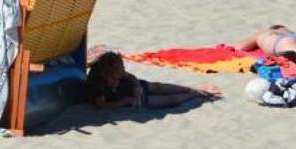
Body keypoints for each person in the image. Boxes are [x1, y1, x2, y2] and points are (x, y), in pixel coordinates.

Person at [85, 50, 218, 110]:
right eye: (116, 76)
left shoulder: (114, 68)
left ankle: (192, 90)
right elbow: (102, 106)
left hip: (134, 90)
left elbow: (131, 77)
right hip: (130, 98)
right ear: (107, 74)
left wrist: (136, 86)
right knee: (168, 101)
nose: (122, 72)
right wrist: (126, 100)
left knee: (159, 87)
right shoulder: (96, 82)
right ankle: (195, 95)